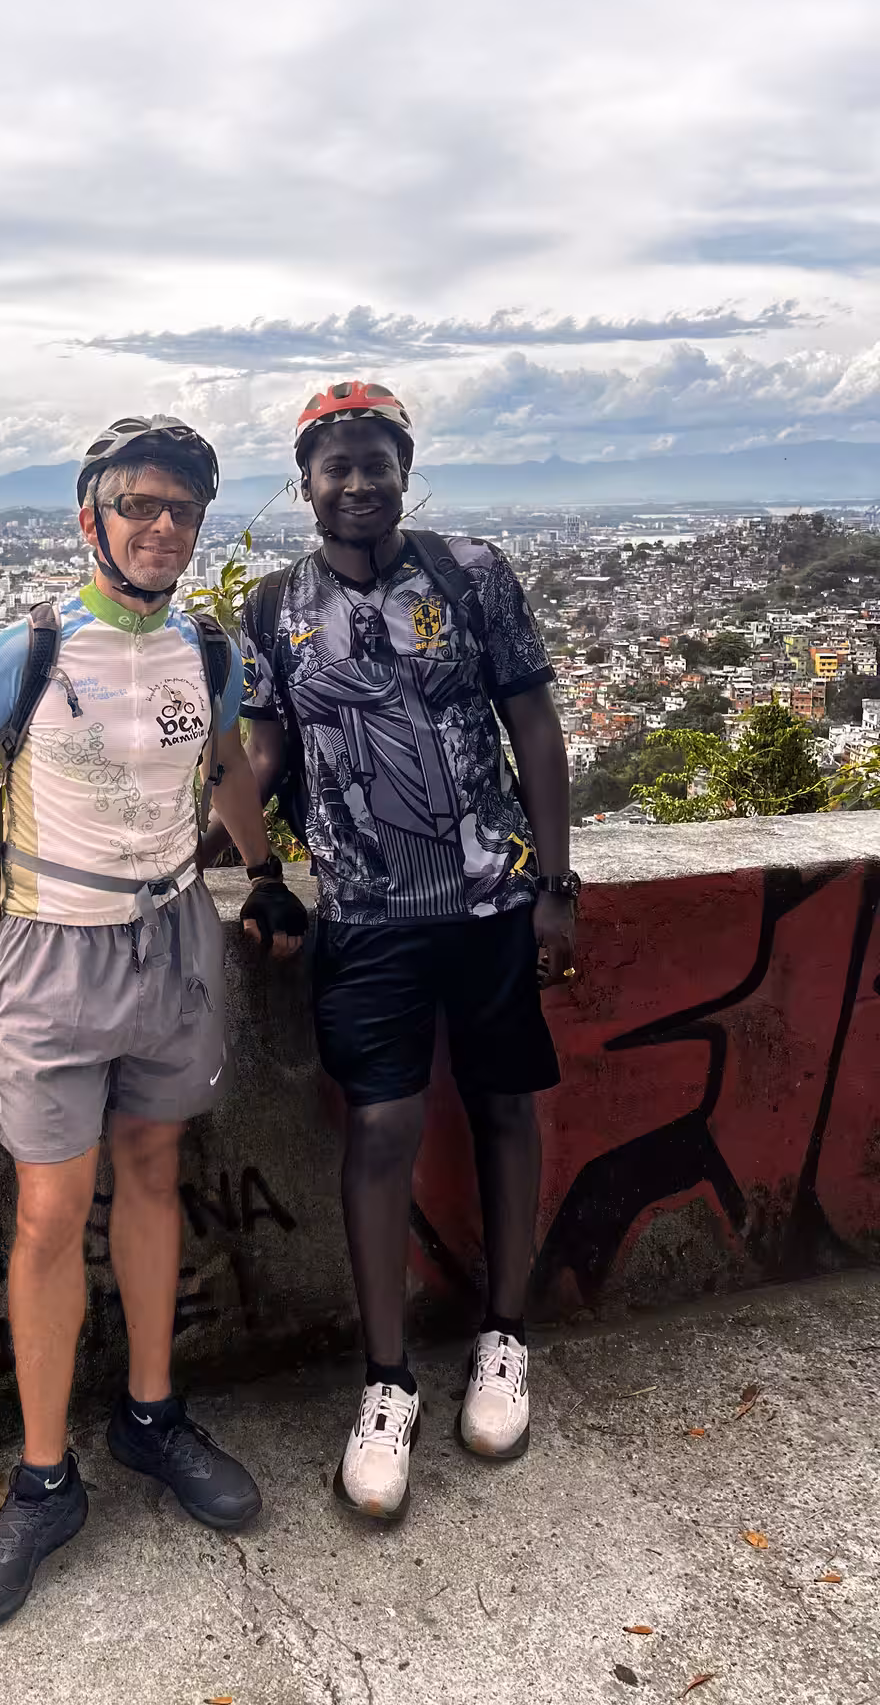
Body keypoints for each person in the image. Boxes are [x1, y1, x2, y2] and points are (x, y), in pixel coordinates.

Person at [0, 416, 308, 1624]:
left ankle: (153, 1418)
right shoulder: (30, 647)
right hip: (52, 944)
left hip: (172, 935)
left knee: (156, 1173)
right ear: (92, 520)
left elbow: (225, 766)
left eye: (182, 510)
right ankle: (42, 1474)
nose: (162, 527)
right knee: (49, 1211)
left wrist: (262, 870)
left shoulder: (206, 649)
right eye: (139, 506)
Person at [212, 380, 577, 1521]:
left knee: (505, 1104)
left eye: (378, 462)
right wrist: (236, 860)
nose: (358, 483)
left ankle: (505, 1338)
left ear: (404, 470)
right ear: (306, 480)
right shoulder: (274, 608)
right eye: (337, 466)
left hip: (493, 902)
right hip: (366, 917)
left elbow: (533, 724)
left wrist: (556, 886)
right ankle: (386, 1382)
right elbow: (265, 759)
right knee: (381, 1128)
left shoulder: (470, 576)